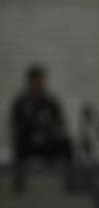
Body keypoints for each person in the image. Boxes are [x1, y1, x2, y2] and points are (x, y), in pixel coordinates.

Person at [10, 65, 74, 193]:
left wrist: (51, 129)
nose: (38, 84)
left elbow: (60, 123)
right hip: (28, 141)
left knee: (66, 143)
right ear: (29, 82)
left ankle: (70, 182)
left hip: (47, 140)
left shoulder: (50, 101)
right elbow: (15, 125)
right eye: (35, 81)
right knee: (19, 144)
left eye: (40, 81)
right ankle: (19, 183)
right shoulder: (21, 102)